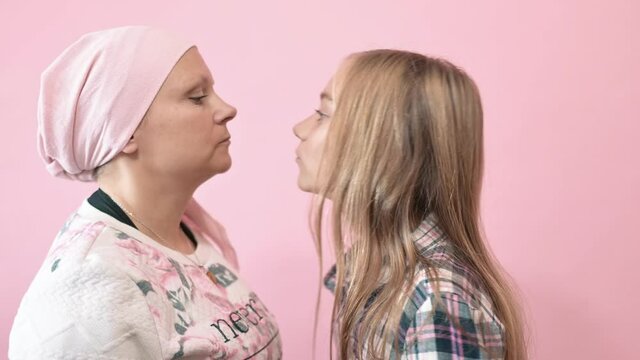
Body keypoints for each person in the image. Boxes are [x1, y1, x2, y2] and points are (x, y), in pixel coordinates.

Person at [9, 26, 282, 359]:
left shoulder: (188, 232)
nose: (227, 109)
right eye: (197, 97)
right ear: (123, 133)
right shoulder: (90, 293)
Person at [293, 49, 527, 359]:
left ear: (384, 144)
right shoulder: (376, 271)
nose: (300, 127)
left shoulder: (437, 302)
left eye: (323, 113)